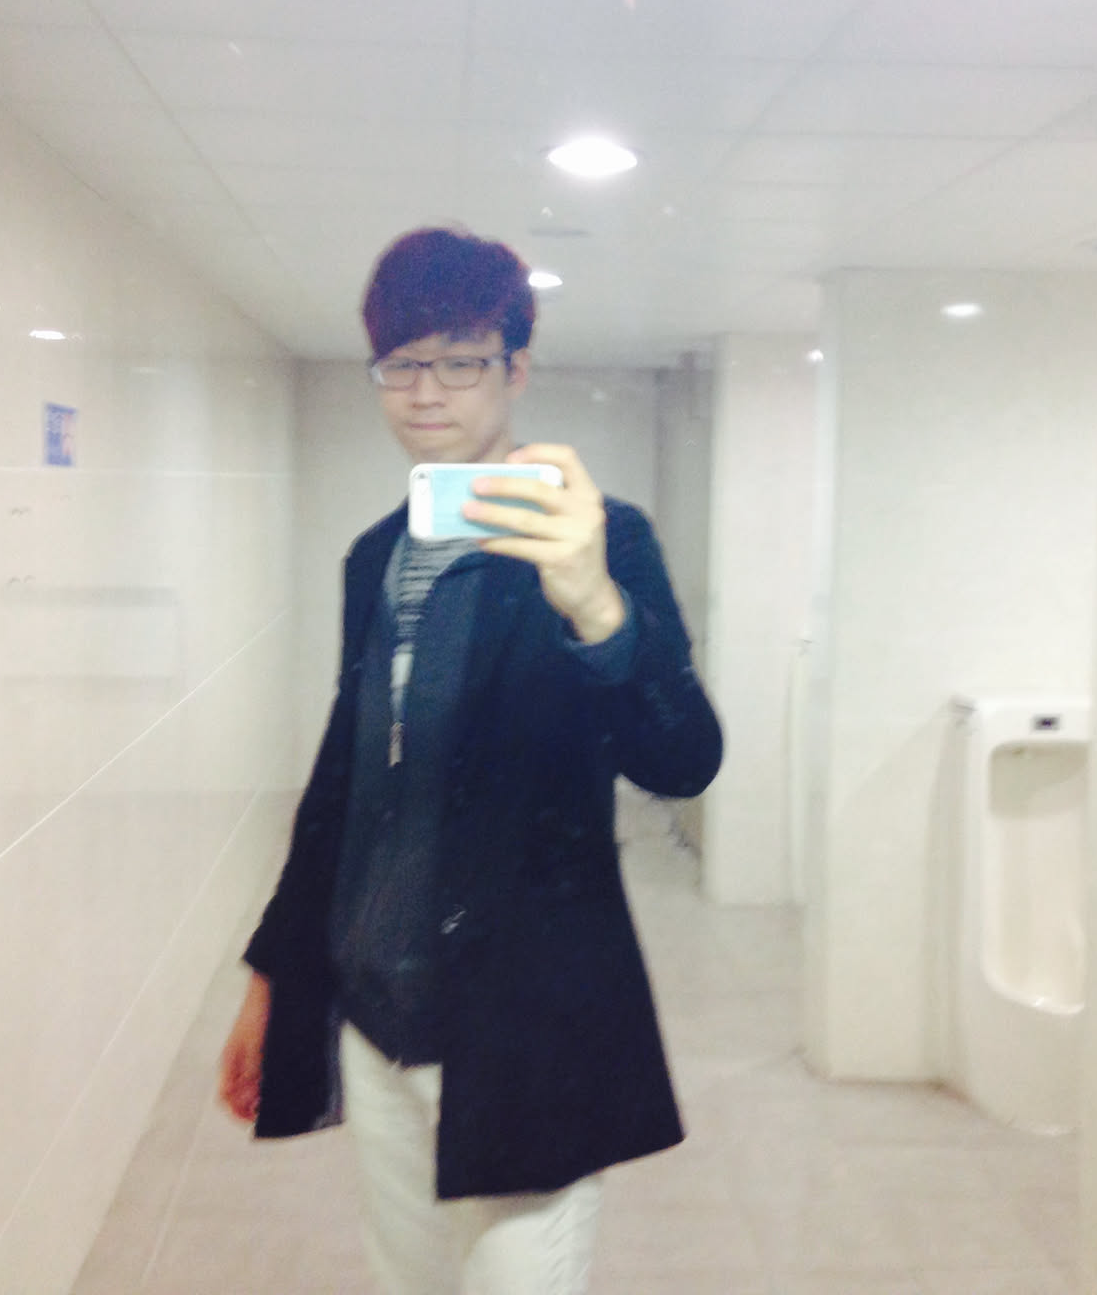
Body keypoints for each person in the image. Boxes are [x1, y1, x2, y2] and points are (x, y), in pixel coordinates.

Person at [217, 225, 722, 1295]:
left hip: (525, 1018)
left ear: (515, 369)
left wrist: (596, 607)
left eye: (460, 361)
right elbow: (344, 780)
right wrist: (273, 971)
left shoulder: (602, 537)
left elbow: (684, 758)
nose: (425, 391)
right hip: (378, 1014)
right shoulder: (375, 557)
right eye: (401, 363)